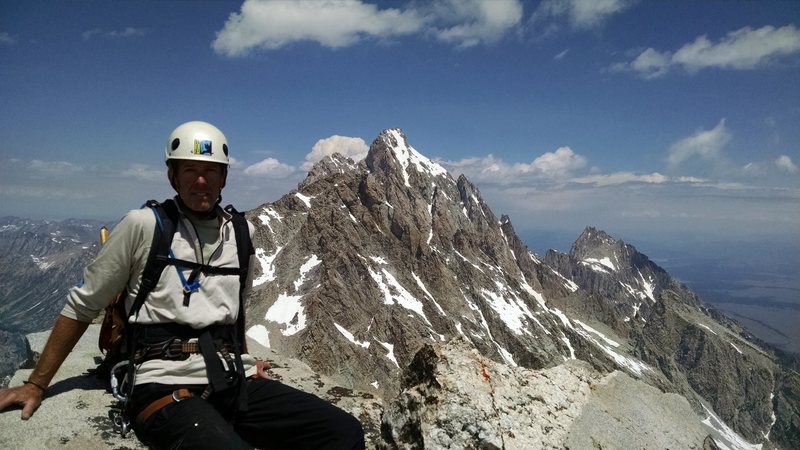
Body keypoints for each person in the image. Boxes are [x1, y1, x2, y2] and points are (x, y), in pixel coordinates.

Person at [0, 121, 365, 449]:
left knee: (344, 432)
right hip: (161, 384)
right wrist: (36, 384)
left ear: (224, 178)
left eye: (210, 171)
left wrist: (245, 361)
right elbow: (82, 305)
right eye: (190, 170)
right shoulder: (143, 226)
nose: (200, 180)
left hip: (231, 378)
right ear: (173, 176)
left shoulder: (241, 233)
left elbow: (235, 306)